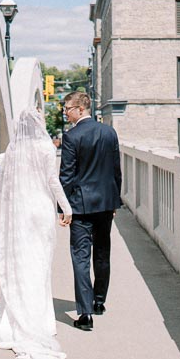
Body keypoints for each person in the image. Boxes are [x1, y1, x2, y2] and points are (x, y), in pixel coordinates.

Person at [0, 108, 73, 359]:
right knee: (40, 265)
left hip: (20, 212)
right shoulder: (46, 148)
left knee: (21, 264)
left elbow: (5, 185)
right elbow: (52, 181)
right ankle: (41, 321)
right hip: (41, 211)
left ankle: (13, 318)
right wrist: (66, 207)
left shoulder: (13, 150)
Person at [58, 90, 122, 331]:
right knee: (103, 252)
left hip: (81, 207)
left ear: (81, 109)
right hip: (105, 203)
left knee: (81, 257)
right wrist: (115, 201)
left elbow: (67, 176)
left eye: (68, 108)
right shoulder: (109, 132)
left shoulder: (72, 137)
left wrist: (63, 209)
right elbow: (116, 170)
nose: (65, 113)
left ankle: (85, 314)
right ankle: (99, 301)